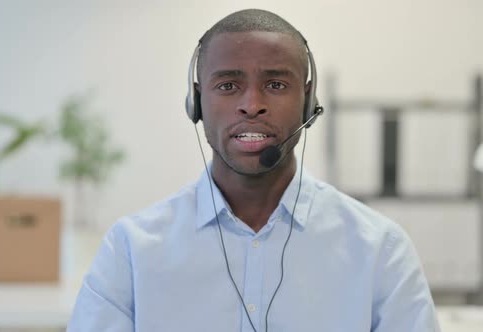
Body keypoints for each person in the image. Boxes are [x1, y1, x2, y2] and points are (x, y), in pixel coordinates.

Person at [67, 9, 440, 332]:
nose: (252, 105)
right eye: (228, 85)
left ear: (308, 102)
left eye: (275, 85)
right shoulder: (132, 250)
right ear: (196, 101)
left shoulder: (379, 249)